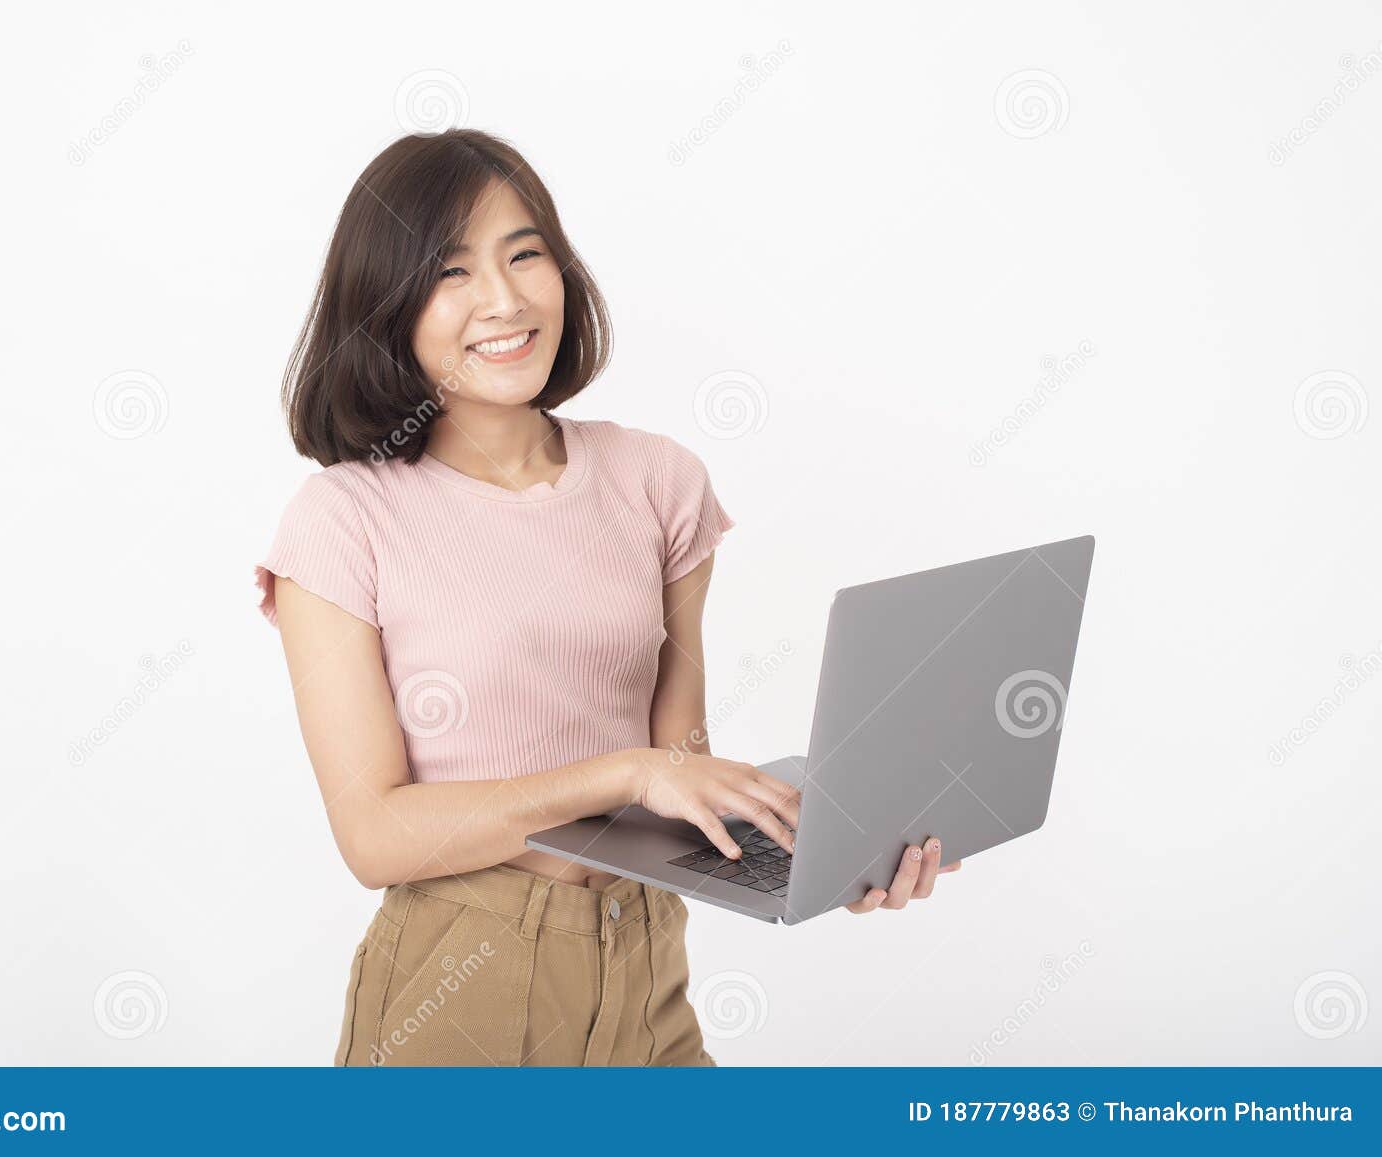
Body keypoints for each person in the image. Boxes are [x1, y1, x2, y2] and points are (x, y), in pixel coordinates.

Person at [253, 129, 959, 1067]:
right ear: (386, 306)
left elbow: (676, 765)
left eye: (525, 254)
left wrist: (827, 850)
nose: (504, 300)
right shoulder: (344, 519)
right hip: (460, 994)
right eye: (452, 272)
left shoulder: (654, 481)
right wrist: (622, 773)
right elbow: (375, 835)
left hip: (649, 979)